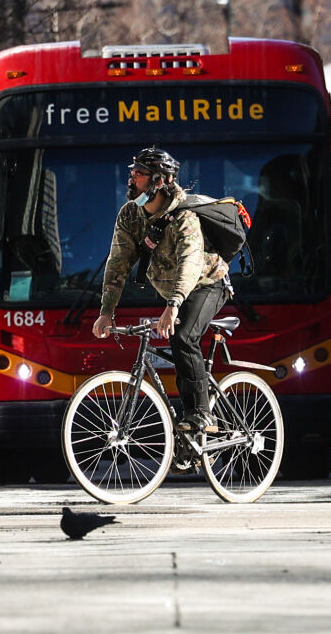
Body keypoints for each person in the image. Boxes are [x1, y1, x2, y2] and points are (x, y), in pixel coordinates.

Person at [92, 146, 231, 434]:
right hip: (174, 290)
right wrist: (106, 312)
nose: (131, 178)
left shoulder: (184, 217)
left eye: (139, 173)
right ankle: (188, 441)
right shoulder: (130, 215)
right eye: (132, 171)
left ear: (159, 181)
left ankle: (202, 414)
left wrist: (174, 304)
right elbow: (117, 264)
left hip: (207, 284)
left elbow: (190, 263)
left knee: (183, 338)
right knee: (177, 343)